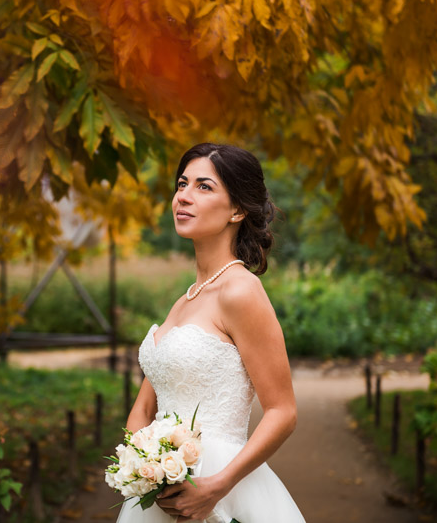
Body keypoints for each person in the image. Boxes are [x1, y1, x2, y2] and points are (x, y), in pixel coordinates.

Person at [115, 143, 305, 523]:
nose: (183, 196)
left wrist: (218, 486)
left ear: (237, 210)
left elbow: (283, 411)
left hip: (224, 488)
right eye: (182, 184)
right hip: (163, 491)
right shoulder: (183, 301)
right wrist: (142, 468)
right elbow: (144, 408)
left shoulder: (240, 291)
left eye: (204, 187)